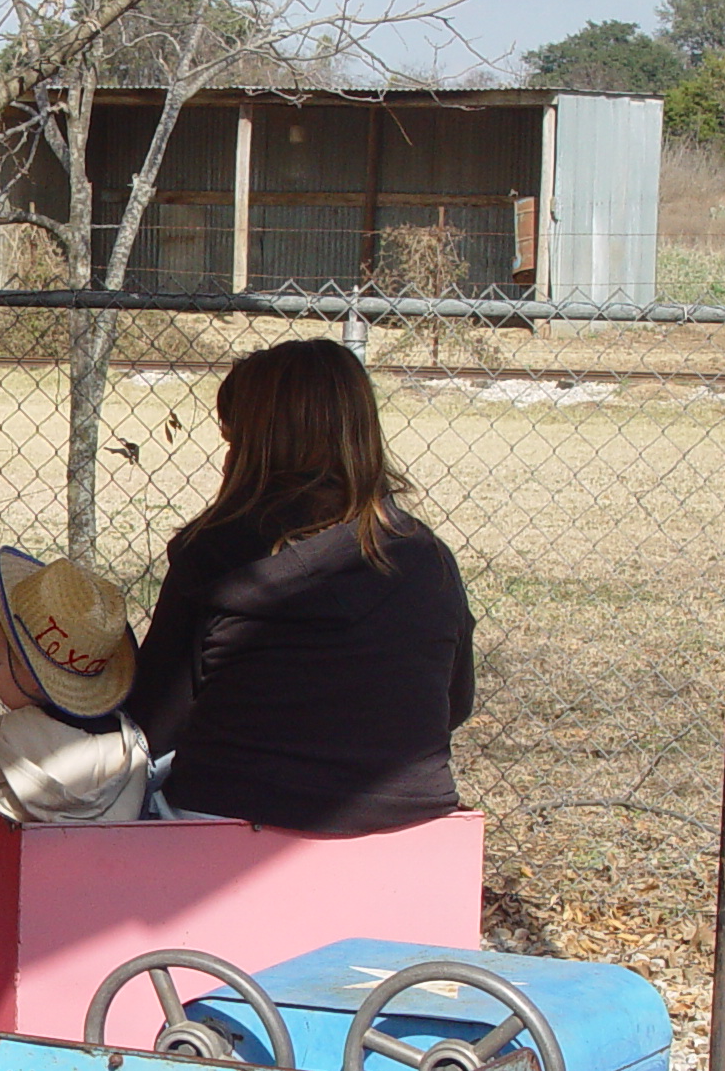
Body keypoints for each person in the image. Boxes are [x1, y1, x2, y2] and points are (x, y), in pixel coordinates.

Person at [124, 338, 474, 833]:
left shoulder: (215, 552)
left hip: (230, 817)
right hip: (408, 820)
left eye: (233, 439)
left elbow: (152, 724)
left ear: (253, 447)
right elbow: (453, 704)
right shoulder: (427, 558)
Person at [0, 550, 151, 835]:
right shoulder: (129, 743)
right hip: (103, 869)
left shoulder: (3, 740)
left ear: (31, 675)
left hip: (14, 871)